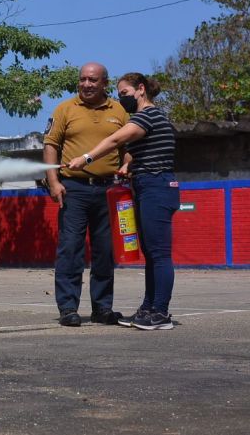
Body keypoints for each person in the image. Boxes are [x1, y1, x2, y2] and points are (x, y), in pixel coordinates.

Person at [68, 72, 180, 330]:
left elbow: (116, 139)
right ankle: (148, 308)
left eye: (125, 93)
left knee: (159, 254)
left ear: (141, 89)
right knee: (151, 253)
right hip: (146, 185)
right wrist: (128, 166)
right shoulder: (147, 118)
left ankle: (161, 313)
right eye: (119, 95)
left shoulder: (148, 115)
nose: (122, 99)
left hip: (156, 186)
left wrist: (85, 158)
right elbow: (142, 151)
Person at [43, 62, 129, 327]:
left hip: (108, 190)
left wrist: (127, 164)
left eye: (93, 80)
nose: (87, 84)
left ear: (105, 83)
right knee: (70, 249)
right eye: (83, 79)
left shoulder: (119, 110)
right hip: (74, 189)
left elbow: (128, 145)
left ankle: (102, 308)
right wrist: (54, 182)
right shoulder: (65, 109)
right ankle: (68, 308)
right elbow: (50, 145)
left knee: (105, 250)